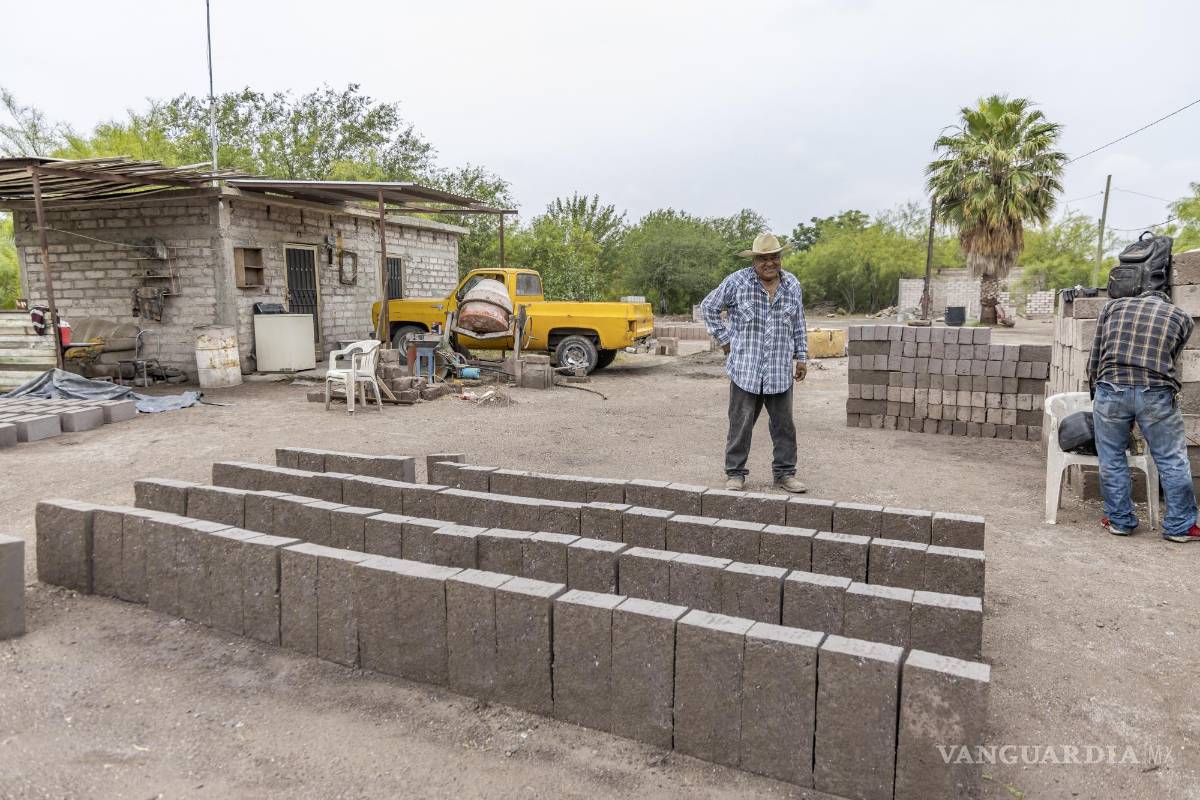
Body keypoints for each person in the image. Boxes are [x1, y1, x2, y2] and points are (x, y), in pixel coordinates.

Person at [1087, 287, 1200, 542]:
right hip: (1156, 392)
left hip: (1111, 388)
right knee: (1171, 460)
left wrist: (1097, 392)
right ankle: (1180, 527)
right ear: (1166, 303)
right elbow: (1171, 359)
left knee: (1111, 457)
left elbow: (1096, 355)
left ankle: (1119, 521)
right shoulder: (1182, 317)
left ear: (1141, 298)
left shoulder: (1112, 307)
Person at [701, 232, 807, 493]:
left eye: (774, 257)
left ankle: (784, 473)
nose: (769, 263)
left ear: (780, 258)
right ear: (754, 261)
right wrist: (725, 341)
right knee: (741, 424)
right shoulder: (737, 282)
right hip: (745, 369)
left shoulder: (792, 285)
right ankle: (735, 473)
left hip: (779, 370)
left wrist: (802, 357)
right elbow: (709, 307)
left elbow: (798, 322)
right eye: (763, 258)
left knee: (784, 426)